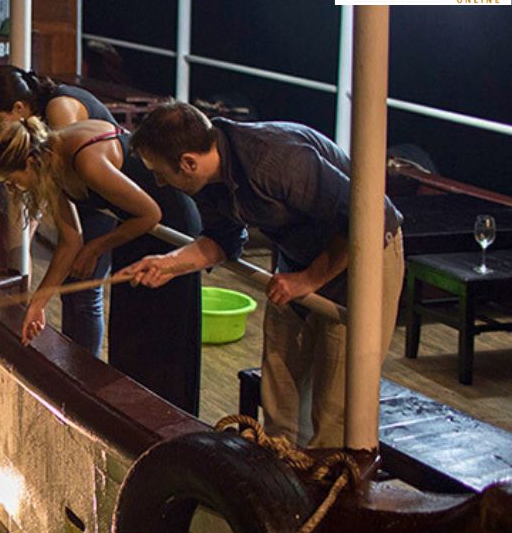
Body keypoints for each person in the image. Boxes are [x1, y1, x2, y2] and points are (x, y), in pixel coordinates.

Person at [120, 102, 405, 447]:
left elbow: (368, 218)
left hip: (362, 255)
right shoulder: (208, 180)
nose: (159, 181)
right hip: (298, 258)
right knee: (279, 384)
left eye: (160, 172)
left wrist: (310, 280)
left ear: (188, 163)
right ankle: (279, 479)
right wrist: (168, 264)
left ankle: (329, 493)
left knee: (337, 406)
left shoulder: (274, 160)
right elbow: (222, 240)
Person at [0, 117, 203, 414]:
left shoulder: (84, 160)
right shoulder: (51, 161)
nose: (15, 188)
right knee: (128, 332)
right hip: (134, 227)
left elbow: (150, 213)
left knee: (164, 341)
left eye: (13, 181)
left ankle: (171, 423)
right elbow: (70, 240)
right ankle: (132, 418)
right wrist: (38, 303)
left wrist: (97, 247)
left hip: (169, 227)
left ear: (30, 162)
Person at [0, 65, 122, 352]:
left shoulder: (59, 109)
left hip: (105, 203)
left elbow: (63, 173)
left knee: (84, 289)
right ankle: (75, 357)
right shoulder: (39, 119)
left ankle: (84, 366)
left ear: (19, 107)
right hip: (88, 199)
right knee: (72, 286)